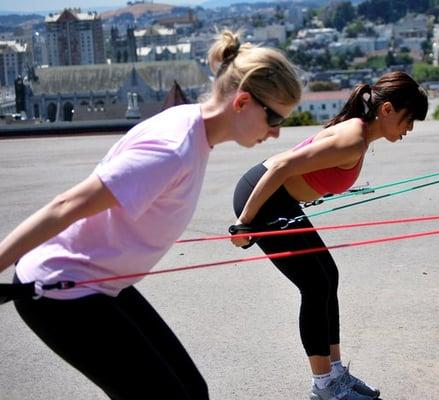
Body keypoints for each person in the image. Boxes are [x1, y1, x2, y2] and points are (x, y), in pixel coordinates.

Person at [0, 29, 301, 400]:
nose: (274, 134)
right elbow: (66, 205)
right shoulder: (171, 151)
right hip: (60, 291)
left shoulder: (192, 128)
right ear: (241, 102)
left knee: (192, 391)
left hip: (99, 283)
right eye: (275, 120)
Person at [231, 71, 428, 400]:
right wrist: (244, 223)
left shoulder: (360, 135)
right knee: (314, 284)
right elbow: (280, 167)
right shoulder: (353, 139)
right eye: (409, 121)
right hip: (263, 199)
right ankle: (324, 386)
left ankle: (334, 374)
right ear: (389, 110)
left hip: (281, 199)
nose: (409, 130)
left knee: (328, 276)